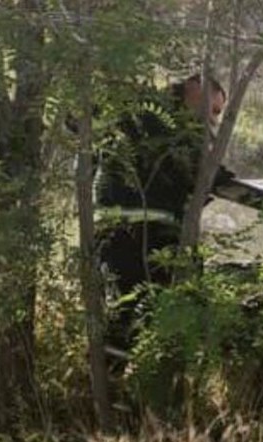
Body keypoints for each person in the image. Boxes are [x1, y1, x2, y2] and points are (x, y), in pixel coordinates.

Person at [95, 73, 235, 349]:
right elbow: (192, 173)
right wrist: (218, 178)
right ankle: (110, 385)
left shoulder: (149, 120)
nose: (214, 120)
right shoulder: (156, 124)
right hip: (136, 240)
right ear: (195, 93)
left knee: (144, 323)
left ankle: (126, 384)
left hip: (134, 237)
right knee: (128, 322)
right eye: (213, 110)